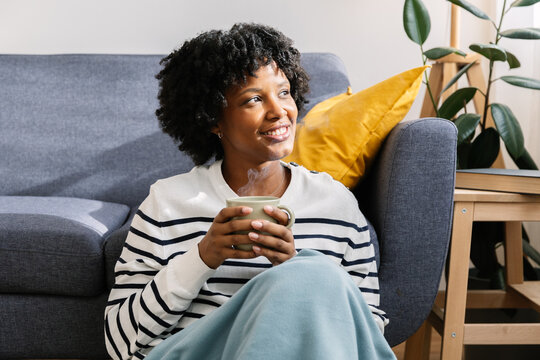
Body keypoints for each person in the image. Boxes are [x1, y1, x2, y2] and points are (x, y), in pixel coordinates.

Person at [104, 23, 395, 360]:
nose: (279, 111)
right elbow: (119, 342)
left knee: (311, 272)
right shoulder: (168, 203)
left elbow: (368, 332)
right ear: (212, 119)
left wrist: (295, 275)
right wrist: (203, 257)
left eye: (284, 92)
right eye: (254, 99)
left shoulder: (335, 203)